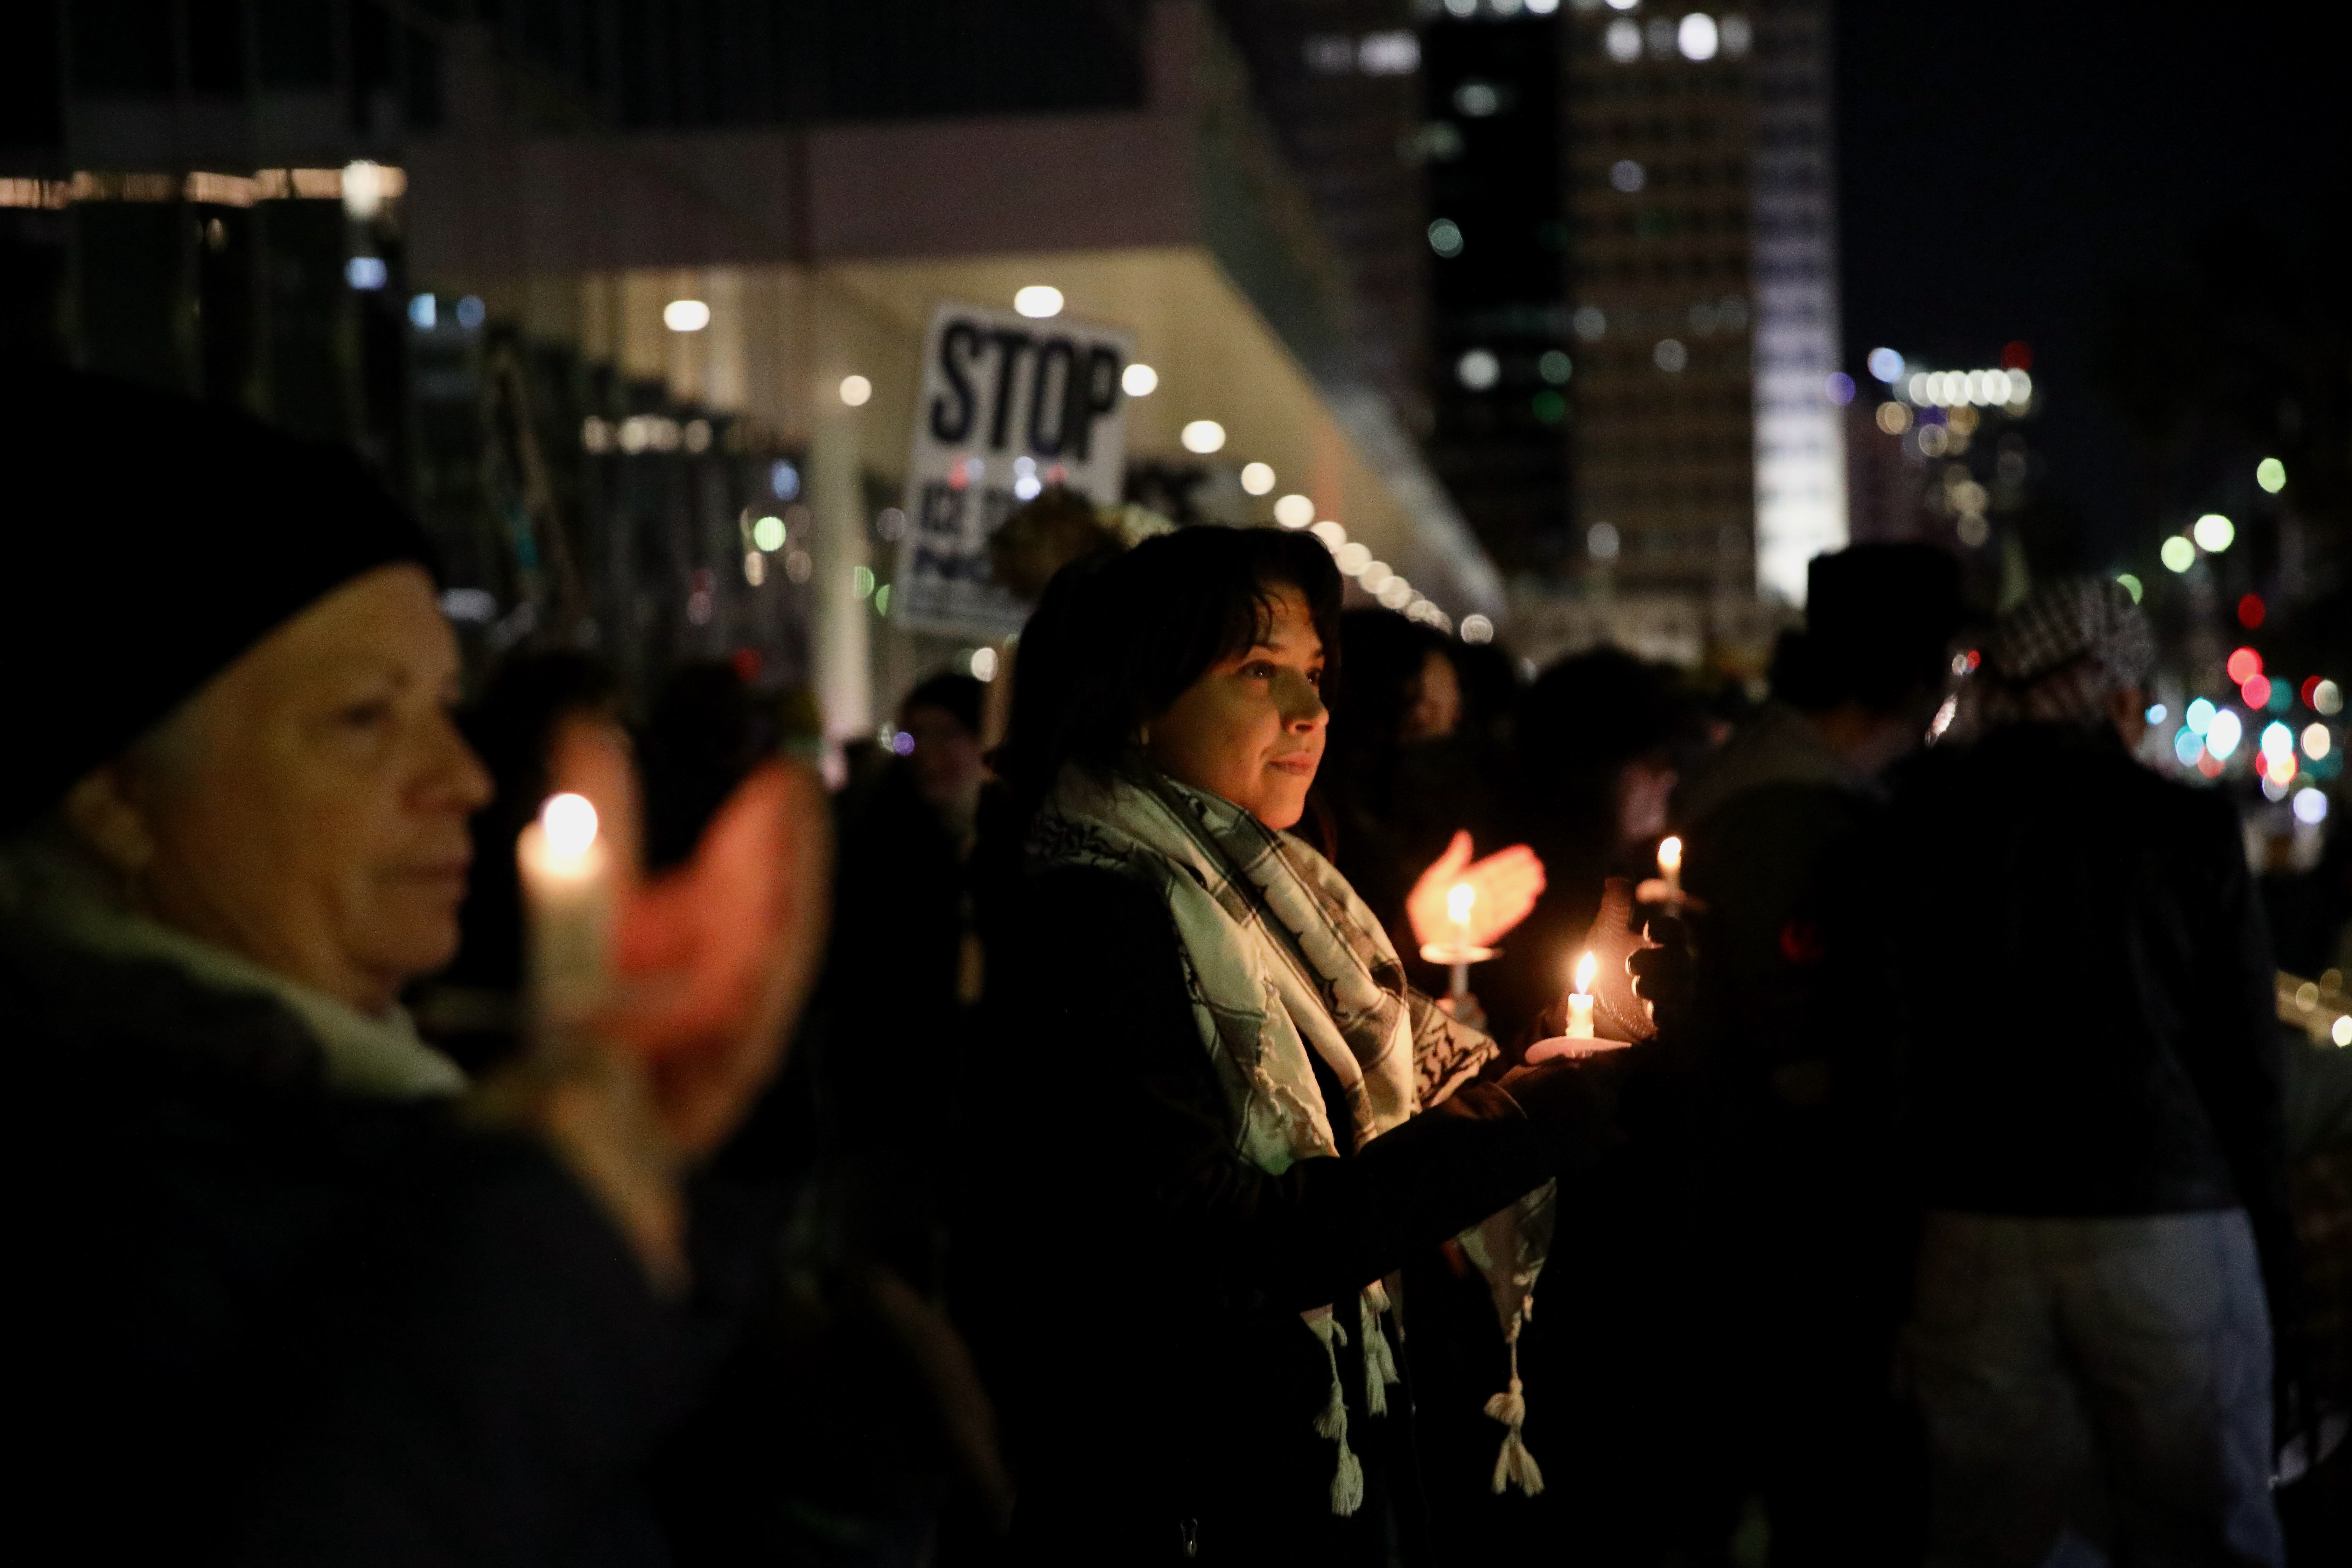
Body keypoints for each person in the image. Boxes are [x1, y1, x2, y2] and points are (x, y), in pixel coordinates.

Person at [3, 371, 828, 1564]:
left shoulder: (368, 1107)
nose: (464, 778)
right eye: (362, 719)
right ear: (119, 797)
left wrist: (668, 1161)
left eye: (445, 703)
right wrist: (545, 1226)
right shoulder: (86, 1204)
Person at [963, 525, 1641, 1565]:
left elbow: (1407, 1090)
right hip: (1190, 1488)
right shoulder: (1101, 914)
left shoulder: (1283, 889)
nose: (1312, 713)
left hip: (1306, 1457)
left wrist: (1574, 1041)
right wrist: (1517, 1122)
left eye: (1316, 674)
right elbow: (1217, 1243)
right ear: (1140, 702)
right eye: (1257, 672)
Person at [1891, 579, 2291, 1567]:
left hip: (1972, 1222)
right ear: (2109, 690)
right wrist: (2273, 1249)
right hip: (2169, 1222)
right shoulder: (2186, 827)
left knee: (2006, 1539)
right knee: (2204, 1525)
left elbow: (1894, 1045)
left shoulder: (1918, 823)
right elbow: (2244, 1062)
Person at [1669, 542, 1965, 1566]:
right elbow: (1801, 1043)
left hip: (1759, 1215)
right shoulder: (1792, 814)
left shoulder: (1769, 780)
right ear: (1910, 678)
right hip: (1794, 1228)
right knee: (1834, 1496)